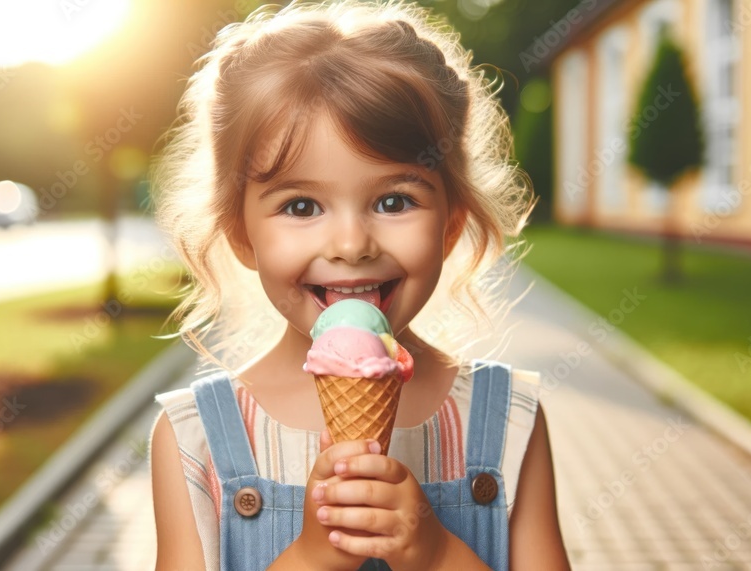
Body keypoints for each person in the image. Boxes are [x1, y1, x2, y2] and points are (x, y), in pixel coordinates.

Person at [148, 1, 571, 569]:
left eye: (394, 201)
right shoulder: (194, 440)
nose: (351, 243)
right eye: (301, 205)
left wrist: (436, 553)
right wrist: (308, 560)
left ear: (450, 223)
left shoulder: (507, 420)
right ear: (240, 234)